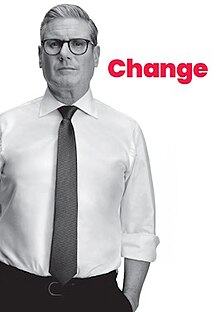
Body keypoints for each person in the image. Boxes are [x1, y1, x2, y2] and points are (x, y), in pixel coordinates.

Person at [0, 4, 159, 312]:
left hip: (97, 297)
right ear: (39, 55)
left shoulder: (126, 131)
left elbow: (139, 226)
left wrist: (130, 300)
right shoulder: (6, 128)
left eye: (78, 44)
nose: (65, 53)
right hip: (13, 293)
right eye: (54, 44)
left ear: (96, 56)